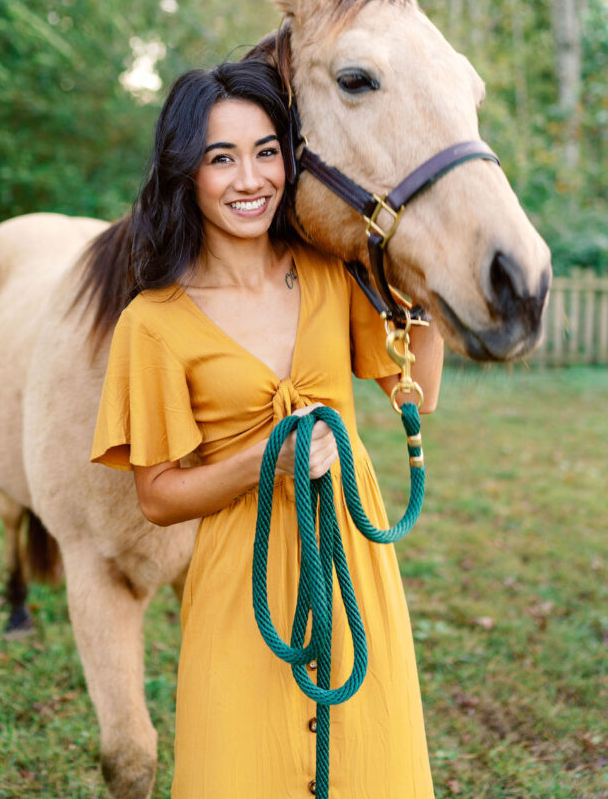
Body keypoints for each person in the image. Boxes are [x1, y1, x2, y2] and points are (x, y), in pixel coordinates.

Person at [90, 58, 443, 799]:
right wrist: (264, 463)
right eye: (221, 158)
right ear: (185, 172)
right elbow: (157, 496)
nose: (249, 179)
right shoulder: (151, 324)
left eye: (265, 151)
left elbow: (419, 391)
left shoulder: (329, 272)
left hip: (350, 563)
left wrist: (430, 280)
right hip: (236, 588)